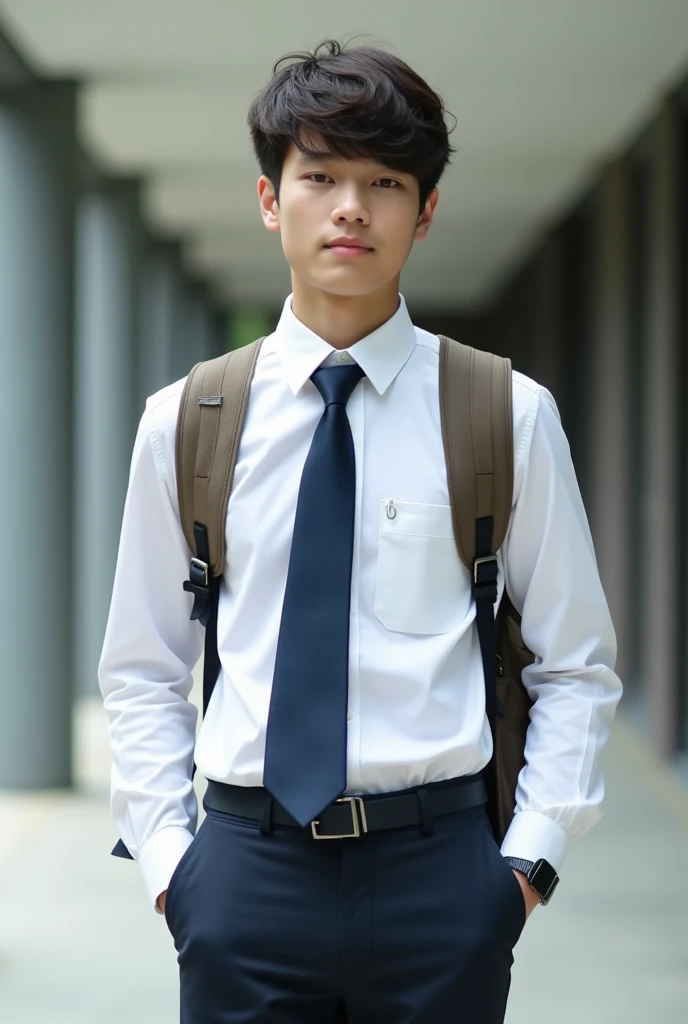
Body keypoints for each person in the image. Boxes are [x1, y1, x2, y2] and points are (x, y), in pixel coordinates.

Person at [98, 39, 623, 1023]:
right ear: (270, 198)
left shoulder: (504, 413)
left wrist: (521, 870)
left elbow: (575, 661)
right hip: (244, 878)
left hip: (441, 878)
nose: (350, 207)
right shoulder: (188, 419)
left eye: (384, 181)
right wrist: (174, 866)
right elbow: (142, 666)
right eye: (321, 176)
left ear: (423, 212)